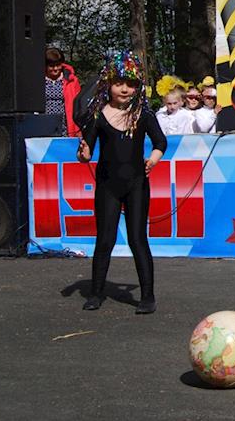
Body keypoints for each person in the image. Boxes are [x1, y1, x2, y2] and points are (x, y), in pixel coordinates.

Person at [76, 50, 167, 314]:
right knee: (105, 239)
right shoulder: (97, 114)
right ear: (108, 84)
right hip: (108, 186)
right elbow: (86, 153)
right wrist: (83, 153)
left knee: (138, 239)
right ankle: (95, 293)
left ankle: (147, 296)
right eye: (119, 83)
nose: (124, 89)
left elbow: (160, 141)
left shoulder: (143, 114)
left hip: (136, 184)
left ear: (138, 87)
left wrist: (154, 158)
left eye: (130, 84)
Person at [45, 47, 82, 137]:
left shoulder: (72, 81)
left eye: (58, 65)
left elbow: (78, 106)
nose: (55, 68)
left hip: (65, 126)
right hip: (44, 125)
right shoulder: (38, 80)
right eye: (51, 66)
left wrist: (78, 130)